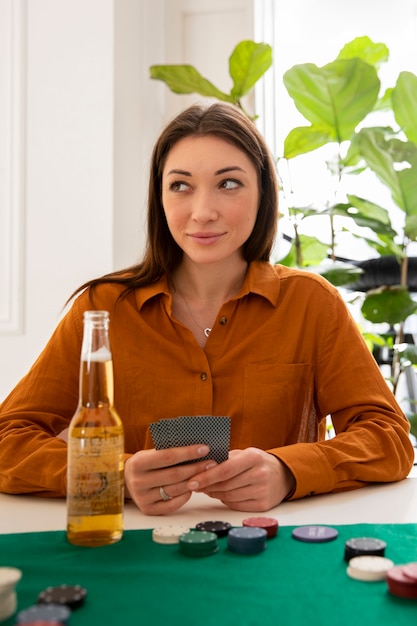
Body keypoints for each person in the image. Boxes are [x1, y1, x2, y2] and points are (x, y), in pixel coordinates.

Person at [0, 102, 414, 515]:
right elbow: (8, 438)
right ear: (159, 197)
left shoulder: (311, 303)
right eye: (181, 185)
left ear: (263, 193)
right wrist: (113, 474)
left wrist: (288, 470)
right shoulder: (102, 308)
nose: (202, 212)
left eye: (228, 183)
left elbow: (388, 438)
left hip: (272, 548)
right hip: (134, 550)